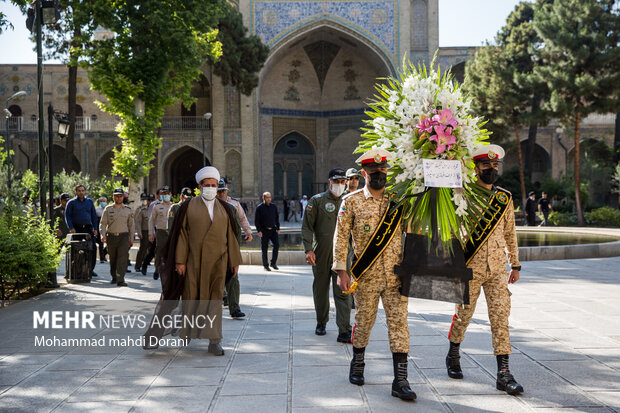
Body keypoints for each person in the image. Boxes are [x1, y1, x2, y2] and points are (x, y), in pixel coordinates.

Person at [333, 148, 416, 401]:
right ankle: (358, 364)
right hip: (365, 276)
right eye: (373, 171)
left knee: (399, 326)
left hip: (396, 276)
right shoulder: (352, 201)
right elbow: (341, 238)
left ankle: (400, 380)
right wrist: (340, 270)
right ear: (363, 173)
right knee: (364, 322)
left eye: (382, 171)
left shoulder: (398, 200)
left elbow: (413, 231)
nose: (379, 174)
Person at [445, 144, 523, 396]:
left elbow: (510, 232)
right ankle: (454, 352)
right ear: (476, 168)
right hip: (469, 267)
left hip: (498, 269)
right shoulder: (463, 195)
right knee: (464, 315)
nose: (491, 169)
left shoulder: (504, 198)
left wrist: (515, 263)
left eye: (495, 165)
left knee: (500, 318)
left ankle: (504, 373)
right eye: (486, 165)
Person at [175, 166, 242, 355]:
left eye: (214, 185)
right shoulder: (188, 206)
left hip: (218, 262)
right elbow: (182, 235)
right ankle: (188, 330)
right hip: (194, 261)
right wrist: (180, 261)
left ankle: (214, 340)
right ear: (200, 186)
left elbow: (231, 236)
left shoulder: (226, 208)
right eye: (208, 185)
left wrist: (234, 261)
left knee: (215, 300)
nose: (211, 188)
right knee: (191, 297)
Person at [302, 168, 352, 342]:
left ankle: (344, 329)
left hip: (344, 255)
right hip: (321, 254)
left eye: (342, 182)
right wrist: (308, 249)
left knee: (343, 291)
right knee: (321, 290)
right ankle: (321, 322)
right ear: (329, 182)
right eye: (336, 182)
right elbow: (307, 226)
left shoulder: (350, 201)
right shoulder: (317, 201)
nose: (339, 185)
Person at [216, 179, 249, 319]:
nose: (221, 193)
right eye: (219, 191)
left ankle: (234, 308)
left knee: (233, 277)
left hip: (228, 247)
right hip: (211, 249)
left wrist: (247, 232)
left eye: (223, 190)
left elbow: (240, 222)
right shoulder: (206, 207)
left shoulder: (233, 206)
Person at [99, 188, 135, 287]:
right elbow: (102, 224)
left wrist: (132, 239)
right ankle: (114, 277)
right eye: (117, 196)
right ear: (113, 197)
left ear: (123, 197)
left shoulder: (128, 210)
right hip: (111, 237)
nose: (119, 198)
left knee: (122, 258)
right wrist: (103, 235)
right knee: (113, 258)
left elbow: (131, 225)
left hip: (124, 237)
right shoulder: (108, 209)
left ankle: (121, 279)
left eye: (121, 196)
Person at [65, 185, 99, 277]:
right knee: (74, 249)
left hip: (88, 228)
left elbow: (94, 216)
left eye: (83, 190)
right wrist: (71, 227)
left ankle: (90, 269)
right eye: (79, 191)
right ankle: (71, 270)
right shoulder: (71, 203)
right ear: (75, 192)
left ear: (85, 192)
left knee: (93, 248)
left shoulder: (89, 202)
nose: (81, 192)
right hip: (76, 229)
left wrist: (95, 228)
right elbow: (67, 216)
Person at [149, 186, 173, 280]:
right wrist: (151, 233)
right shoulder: (157, 207)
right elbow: (151, 220)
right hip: (161, 232)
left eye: (167, 193)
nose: (166, 195)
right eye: (164, 194)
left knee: (172, 251)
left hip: (171, 232)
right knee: (159, 251)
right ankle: (157, 269)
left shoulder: (174, 206)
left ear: (171, 194)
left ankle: (169, 270)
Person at [255, 192, 280, 271]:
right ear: (263, 198)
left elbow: (276, 218)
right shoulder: (259, 208)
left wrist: (278, 228)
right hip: (264, 230)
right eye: (267, 197)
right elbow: (257, 221)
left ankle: (273, 263)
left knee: (277, 245)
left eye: (270, 197)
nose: (269, 199)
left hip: (273, 230)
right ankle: (266, 265)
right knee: (264, 248)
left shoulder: (274, 206)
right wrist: (259, 230)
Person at [141, 192, 159, 275]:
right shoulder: (153, 205)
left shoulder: (171, 204)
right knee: (153, 251)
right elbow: (151, 219)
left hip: (166, 230)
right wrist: (152, 232)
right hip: (156, 230)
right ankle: (144, 265)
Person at [134, 193, 153, 274]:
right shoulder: (142, 210)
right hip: (145, 231)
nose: (150, 202)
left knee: (153, 249)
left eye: (152, 200)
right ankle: (138, 265)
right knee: (143, 249)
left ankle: (147, 262)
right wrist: (139, 232)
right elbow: (138, 222)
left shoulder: (155, 209)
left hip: (154, 231)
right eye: (149, 200)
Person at [95, 197, 108, 263]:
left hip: (108, 228)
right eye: (101, 201)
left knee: (109, 243)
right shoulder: (97, 210)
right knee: (100, 243)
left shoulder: (108, 209)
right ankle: (102, 258)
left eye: (104, 201)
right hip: (99, 228)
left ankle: (104, 254)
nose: (103, 202)